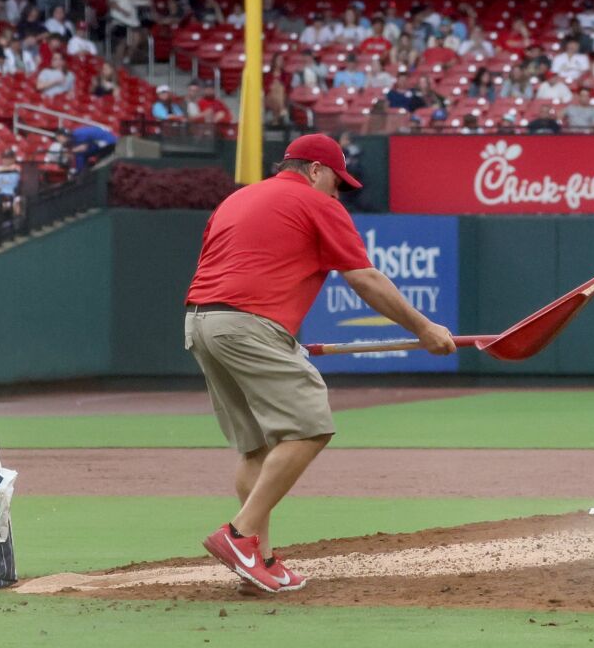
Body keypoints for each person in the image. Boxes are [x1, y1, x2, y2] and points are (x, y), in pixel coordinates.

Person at [185, 135, 456, 593]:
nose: (337, 193)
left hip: (200, 322)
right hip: (250, 324)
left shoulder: (237, 198)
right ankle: (239, 535)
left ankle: (261, 561)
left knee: (256, 448)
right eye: (336, 181)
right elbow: (365, 278)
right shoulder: (317, 204)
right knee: (311, 426)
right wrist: (423, 328)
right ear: (315, 169)